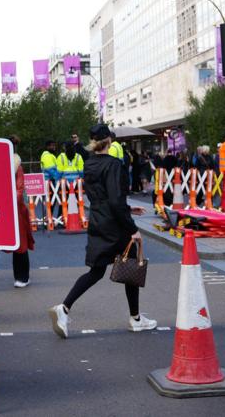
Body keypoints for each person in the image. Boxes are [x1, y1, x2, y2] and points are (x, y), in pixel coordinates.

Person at [48, 124, 156, 338]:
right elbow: (115, 200)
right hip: (115, 225)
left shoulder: (89, 164)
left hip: (97, 221)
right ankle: (135, 319)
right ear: (109, 141)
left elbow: (103, 197)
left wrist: (127, 208)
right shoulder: (114, 164)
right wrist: (132, 228)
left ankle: (64, 308)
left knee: (96, 271)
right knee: (131, 265)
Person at [0, 136, 35, 290]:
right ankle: (21, 278)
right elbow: (19, 190)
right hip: (13, 208)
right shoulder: (16, 166)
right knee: (19, 243)